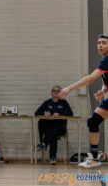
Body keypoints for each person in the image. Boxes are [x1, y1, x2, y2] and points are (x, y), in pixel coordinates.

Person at [59, 34, 108, 168]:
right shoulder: (104, 62)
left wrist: (69, 88)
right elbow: (106, 81)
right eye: (99, 43)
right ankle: (93, 158)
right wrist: (103, 91)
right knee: (93, 121)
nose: (100, 45)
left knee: (93, 121)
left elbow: (91, 79)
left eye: (104, 43)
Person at [35, 85, 73, 165]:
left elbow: (70, 113)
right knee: (45, 126)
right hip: (49, 127)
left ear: (60, 93)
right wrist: (44, 114)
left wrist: (60, 114)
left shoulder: (64, 102)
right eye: (54, 91)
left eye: (57, 91)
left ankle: (44, 142)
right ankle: (53, 157)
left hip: (60, 127)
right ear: (51, 92)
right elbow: (37, 113)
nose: (55, 92)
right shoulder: (47, 102)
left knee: (54, 129)